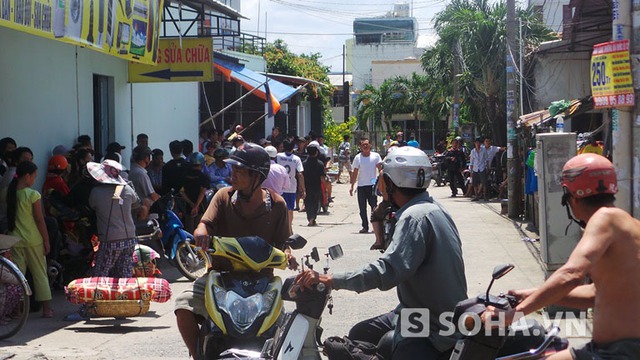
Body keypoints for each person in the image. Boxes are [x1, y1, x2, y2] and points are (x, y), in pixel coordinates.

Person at [297, 146, 468, 359]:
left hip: (430, 324)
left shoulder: (413, 218)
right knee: (361, 333)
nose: (379, 185)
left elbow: (387, 270)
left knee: (366, 348)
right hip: (427, 313)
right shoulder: (434, 208)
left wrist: (332, 279)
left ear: (390, 182)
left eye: (382, 179)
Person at [483, 153, 640, 359]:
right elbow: (595, 294)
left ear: (570, 195)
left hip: (621, 352)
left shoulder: (604, 218)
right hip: (606, 349)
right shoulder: (627, 224)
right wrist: (532, 293)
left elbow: (571, 274)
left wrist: (514, 314)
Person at [174, 143, 296, 358]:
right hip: (221, 276)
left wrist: (289, 253)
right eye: (233, 170)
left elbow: (284, 242)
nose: (234, 176)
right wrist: (201, 231)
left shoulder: (277, 205)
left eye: (240, 172)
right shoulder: (223, 197)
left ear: (257, 176)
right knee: (183, 305)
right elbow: (205, 223)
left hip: (263, 279)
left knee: (284, 325)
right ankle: (196, 355)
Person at [7, 161, 54, 318]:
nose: (34, 180)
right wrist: (47, 240)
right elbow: (40, 220)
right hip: (33, 239)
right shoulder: (32, 195)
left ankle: (17, 310)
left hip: (14, 240)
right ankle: (46, 309)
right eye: (34, 177)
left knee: (18, 276)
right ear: (27, 176)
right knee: (40, 274)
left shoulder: (8, 192)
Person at [87, 159, 140, 278]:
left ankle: (100, 296)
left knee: (101, 274)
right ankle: (124, 295)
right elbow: (136, 203)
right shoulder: (127, 189)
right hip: (130, 237)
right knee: (124, 273)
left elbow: (92, 206)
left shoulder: (96, 192)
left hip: (110, 239)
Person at [350, 138, 382, 234]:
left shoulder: (376, 156)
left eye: (367, 144)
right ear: (360, 147)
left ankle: (376, 226)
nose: (365, 146)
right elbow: (355, 173)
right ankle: (365, 226)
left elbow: (381, 170)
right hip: (361, 186)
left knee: (374, 207)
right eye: (363, 145)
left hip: (372, 185)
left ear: (370, 145)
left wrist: (381, 184)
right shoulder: (358, 158)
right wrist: (352, 186)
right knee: (362, 208)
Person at [275, 139, 304, 234]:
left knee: (279, 206)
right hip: (291, 186)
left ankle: (279, 226)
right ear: (293, 148)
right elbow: (300, 174)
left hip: (279, 186)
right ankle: (289, 227)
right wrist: (302, 187)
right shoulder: (296, 159)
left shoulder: (278, 156)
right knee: (290, 209)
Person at [181, 152, 209, 233]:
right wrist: (196, 206)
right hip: (201, 206)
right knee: (199, 228)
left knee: (189, 229)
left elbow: (182, 192)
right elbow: (202, 192)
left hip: (188, 206)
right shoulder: (203, 177)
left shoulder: (185, 175)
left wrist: (191, 203)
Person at [302, 142, 325, 227]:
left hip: (306, 186)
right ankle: (313, 218)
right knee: (315, 202)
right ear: (316, 152)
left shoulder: (304, 163)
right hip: (316, 186)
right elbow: (322, 177)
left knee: (308, 203)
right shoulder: (320, 164)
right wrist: (325, 187)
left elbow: (301, 175)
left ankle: (310, 218)